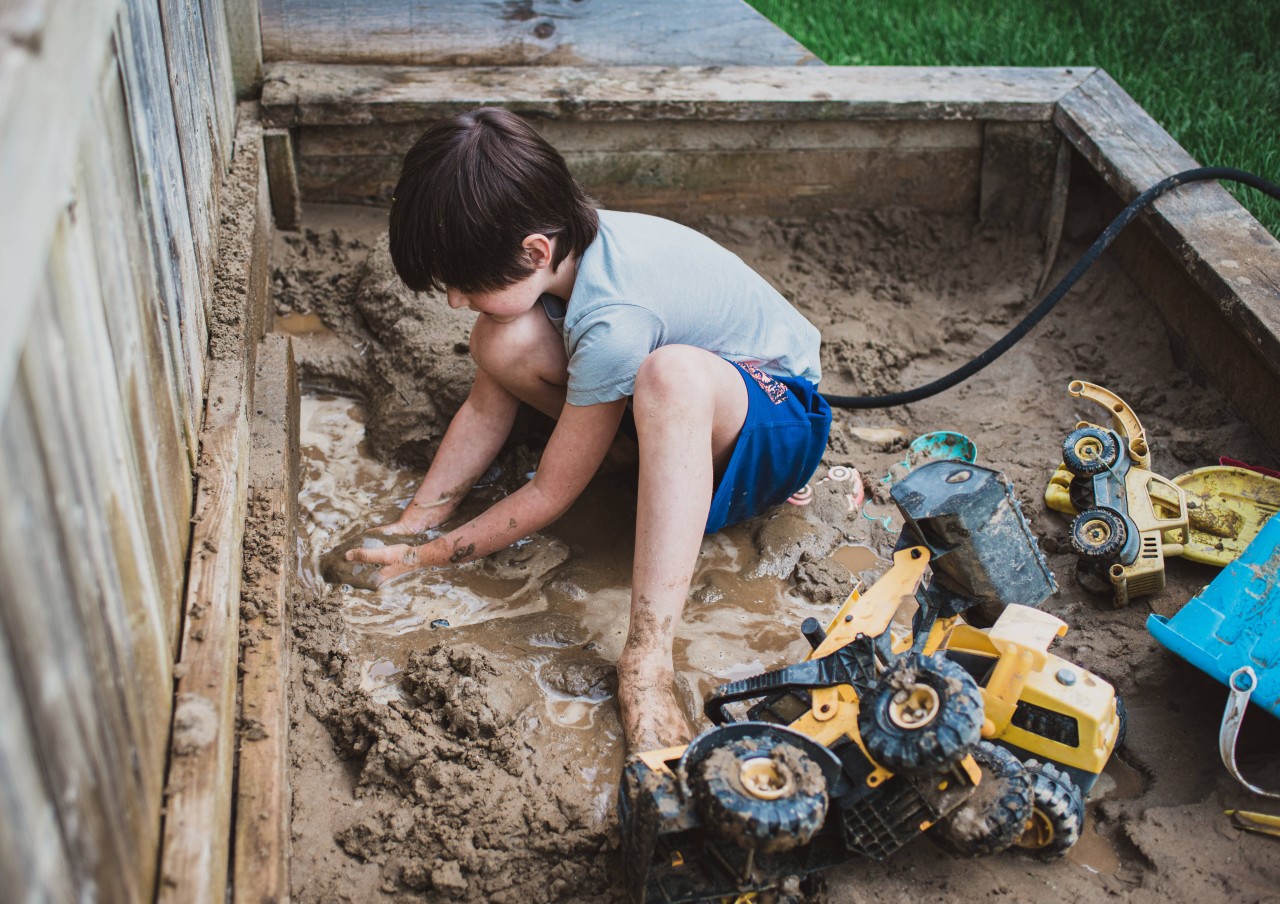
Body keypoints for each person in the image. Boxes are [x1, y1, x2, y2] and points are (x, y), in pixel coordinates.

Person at [345, 107, 831, 752]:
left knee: (668, 375)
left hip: (774, 424)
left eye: (462, 283)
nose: (455, 301)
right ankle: (630, 455)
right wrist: (415, 521)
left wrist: (428, 559)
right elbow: (486, 409)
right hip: (695, 407)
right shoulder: (573, 249)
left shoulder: (614, 317)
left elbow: (550, 494)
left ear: (534, 250)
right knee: (502, 339)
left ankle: (648, 661)